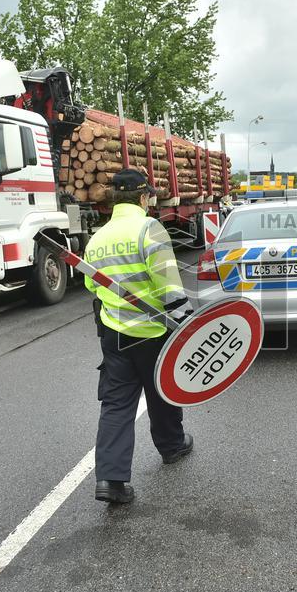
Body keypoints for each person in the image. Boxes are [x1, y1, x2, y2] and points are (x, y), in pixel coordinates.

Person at [84, 169, 195, 504]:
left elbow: (93, 286)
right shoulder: (149, 228)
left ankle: (110, 480)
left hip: (114, 333)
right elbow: (169, 286)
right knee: (162, 391)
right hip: (152, 331)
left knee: (116, 404)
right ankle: (172, 446)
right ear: (144, 197)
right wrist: (188, 325)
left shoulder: (97, 238)